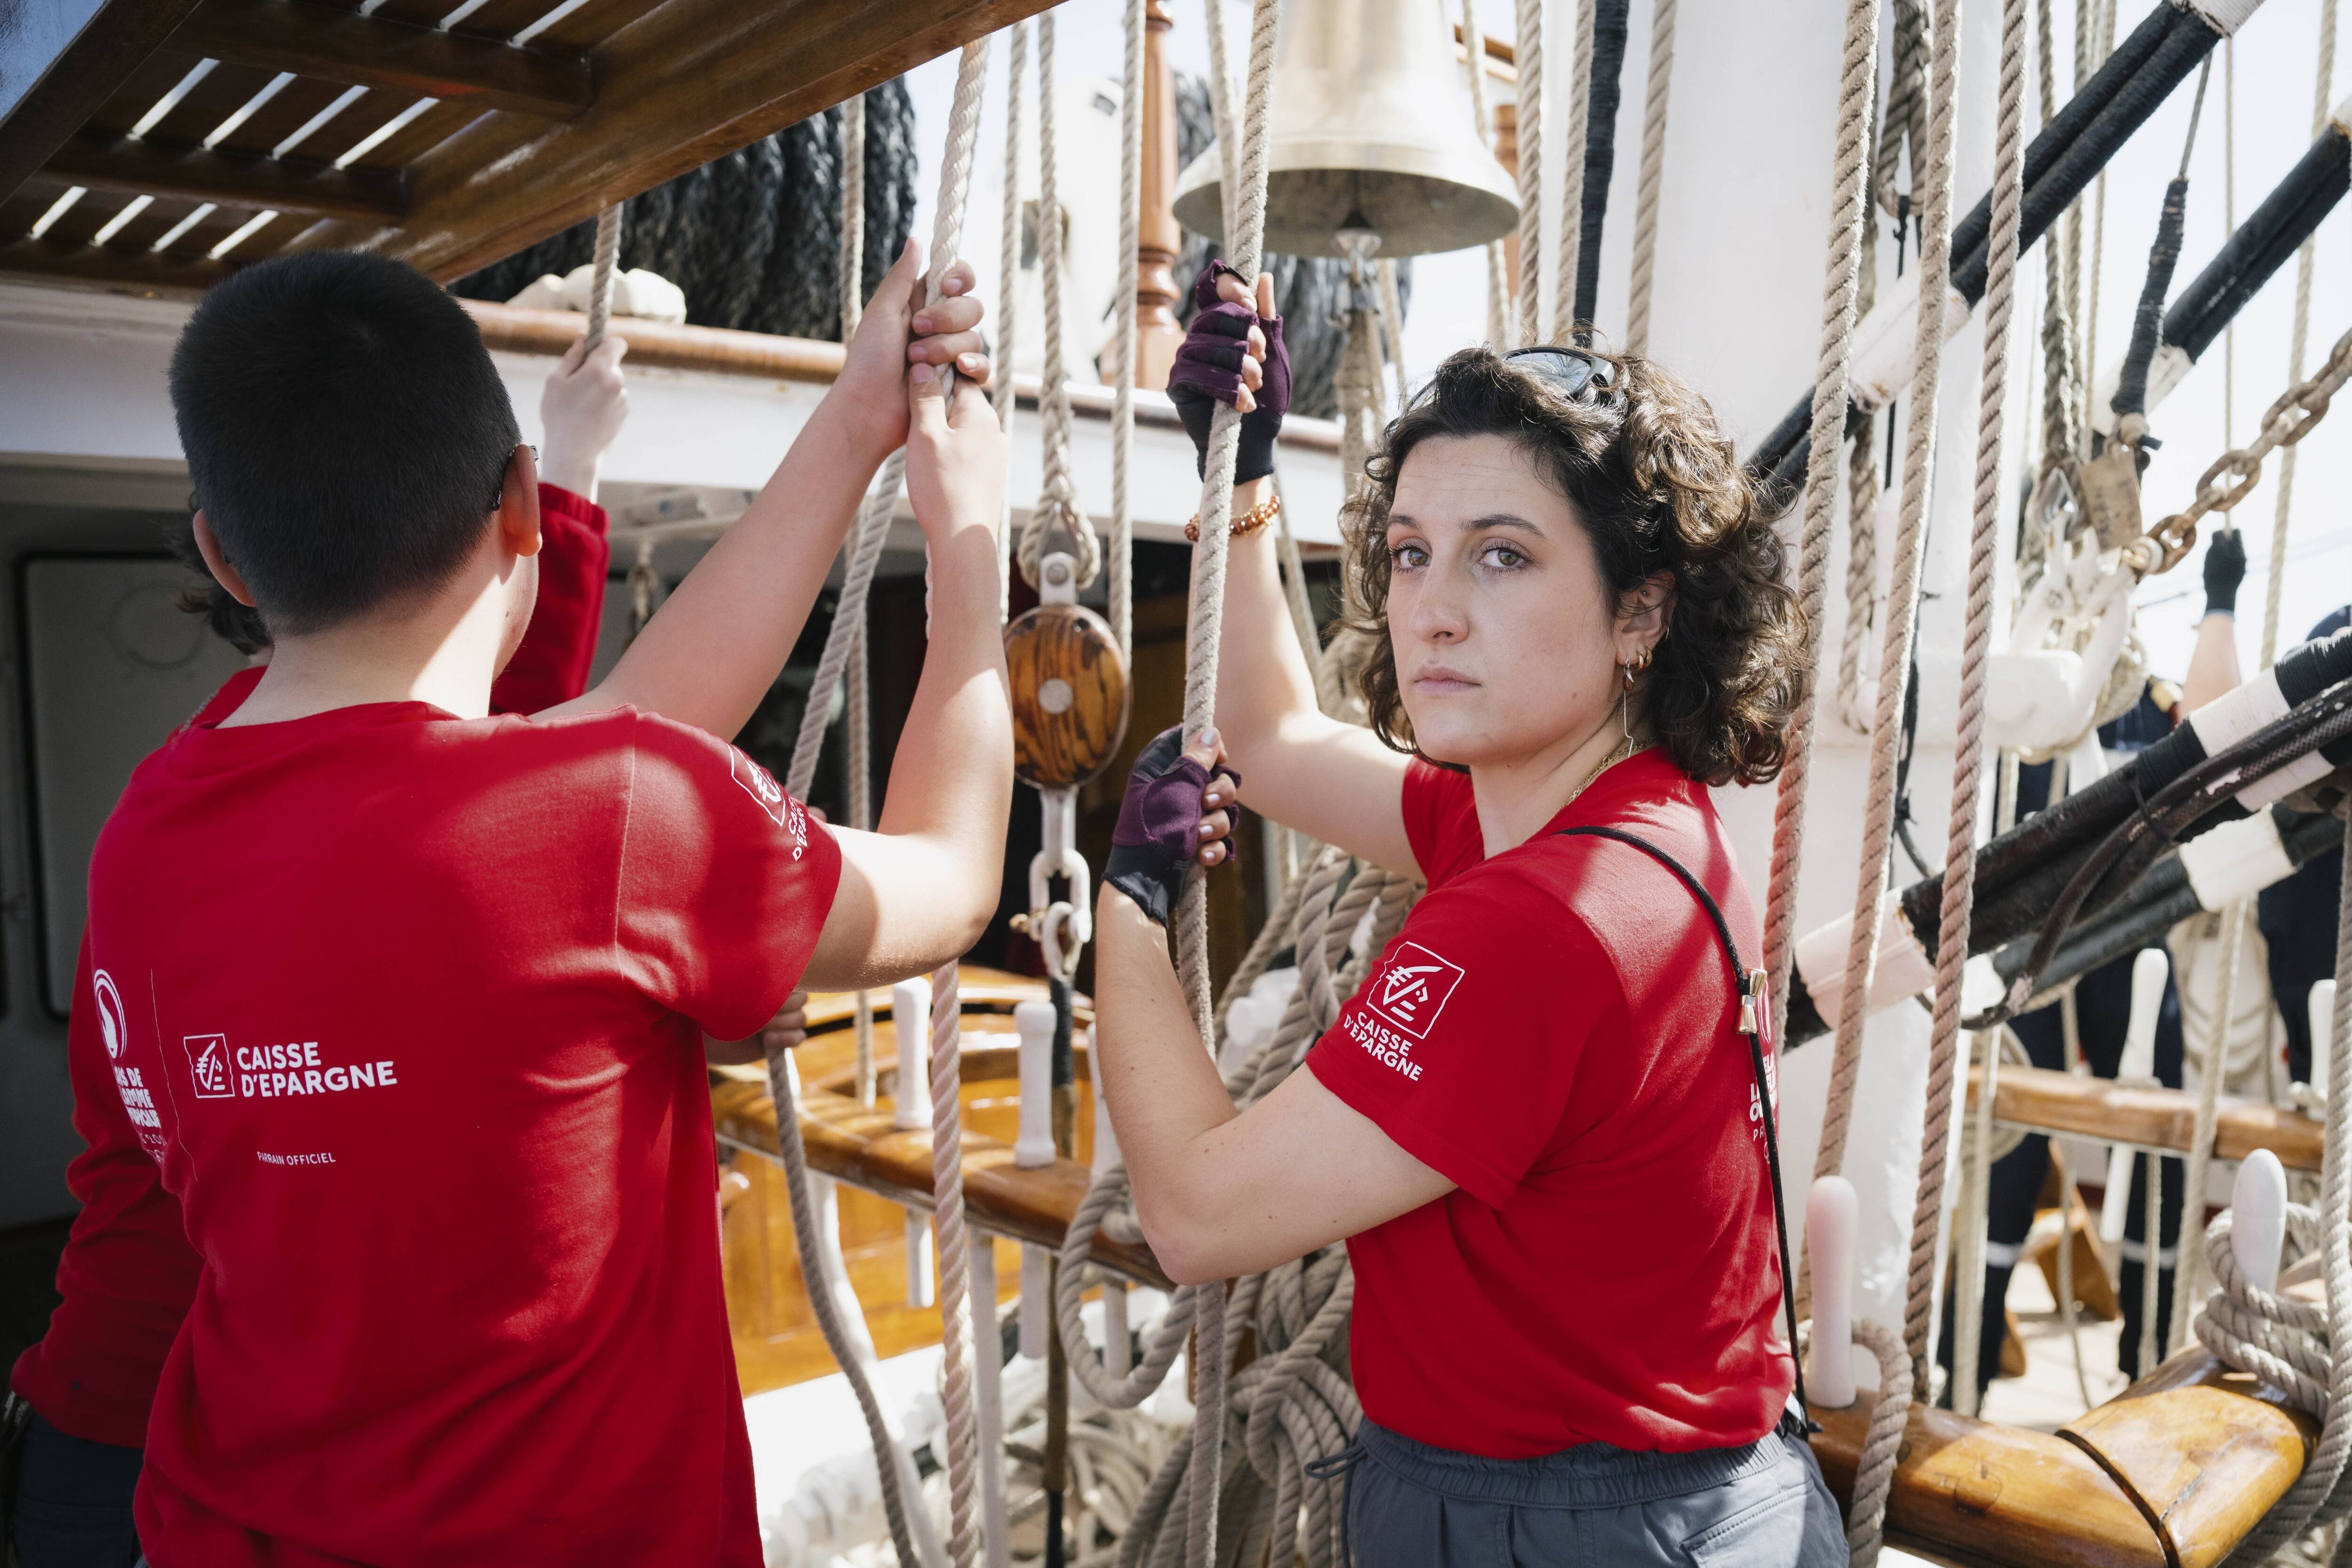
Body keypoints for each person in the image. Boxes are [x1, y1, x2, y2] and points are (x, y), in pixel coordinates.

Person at [19, 242, 1007, 1568]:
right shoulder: (618, 814)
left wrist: (853, 425)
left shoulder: (142, 835)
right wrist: (971, 567)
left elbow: (603, 743)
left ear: (226, 558)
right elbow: (949, 878)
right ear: (525, 508)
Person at [1093, 264, 1843, 1566]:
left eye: (1504, 554)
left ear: (1645, 607)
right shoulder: (1620, 821)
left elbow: (1195, 1217)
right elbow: (1271, 741)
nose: (1432, 607)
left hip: (1571, 1530)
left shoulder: (1542, 919)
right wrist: (1243, 473)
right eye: (1408, 553)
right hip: (1699, 1505)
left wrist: (1128, 907)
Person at [4, 330, 635, 1568]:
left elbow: (503, 728)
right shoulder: (368, 805)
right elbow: (514, 743)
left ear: (224, 557)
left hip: (93, 1424)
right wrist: (565, 475)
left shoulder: (161, 811)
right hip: (163, 1454)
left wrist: (563, 478)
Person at [1937, 525, 2255, 1402]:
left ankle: (2145, 1355)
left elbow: (2217, 738)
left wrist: (2220, 602)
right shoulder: (2022, 701)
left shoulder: (2152, 711)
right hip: (2027, 960)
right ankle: (1965, 1351)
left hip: (2128, 954)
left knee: (2152, 1140)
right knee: (2010, 1141)